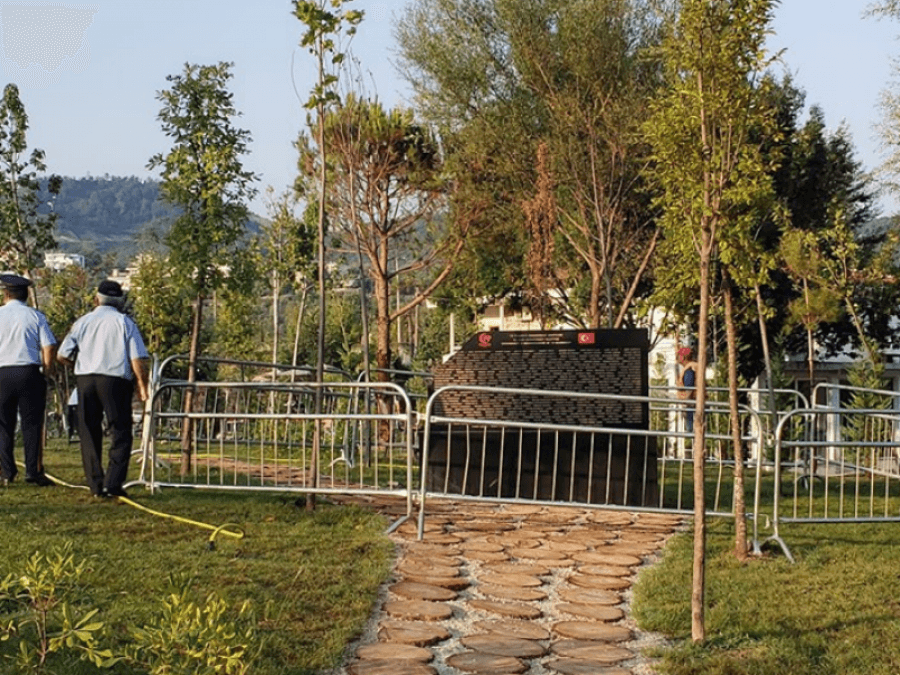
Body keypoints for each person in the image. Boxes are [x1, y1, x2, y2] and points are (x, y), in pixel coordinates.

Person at [57, 280, 150, 498]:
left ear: (96, 299)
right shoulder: (125, 322)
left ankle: (95, 484)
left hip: (86, 379)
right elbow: (137, 358)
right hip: (115, 380)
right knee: (120, 430)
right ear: (120, 302)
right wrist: (142, 386)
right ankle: (113, 483)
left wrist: (78, 366)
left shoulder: (83, 322)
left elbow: (62, 355)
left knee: (88, 430)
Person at [0, 274, 57, 486]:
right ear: (26, 295)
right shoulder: (36, 316)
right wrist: (47, 371)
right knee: (32, 424)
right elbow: (49, 346)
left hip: (2, 372)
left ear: (5, 294)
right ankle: (33, 471)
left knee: (3, 424)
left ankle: (7, 471)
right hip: (29, 372)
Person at [676, 346, 698, 433]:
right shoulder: (693, 367)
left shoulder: (689, 371)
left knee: (690, 430)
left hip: (691, 405)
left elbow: (689, 389)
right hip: (693, 403)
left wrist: (685, 400)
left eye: (679, 356)